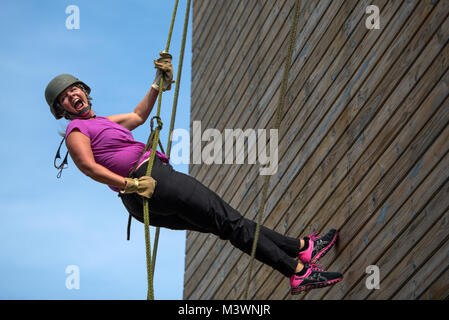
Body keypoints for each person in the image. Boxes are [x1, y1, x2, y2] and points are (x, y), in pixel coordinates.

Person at [44, 54, 343, 295]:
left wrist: (157, 84)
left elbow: (137, 116)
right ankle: (298, 272)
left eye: (75, 90)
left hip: (146, 192)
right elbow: (87, 166)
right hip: (150, 184)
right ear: (63, 110)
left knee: (228, 225)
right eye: (65, 98)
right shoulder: (76, 130)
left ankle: (303, 249)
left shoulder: (105, 121)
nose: (72, 96)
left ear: (85, 91)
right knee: (230, 222)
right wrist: (131, 184)